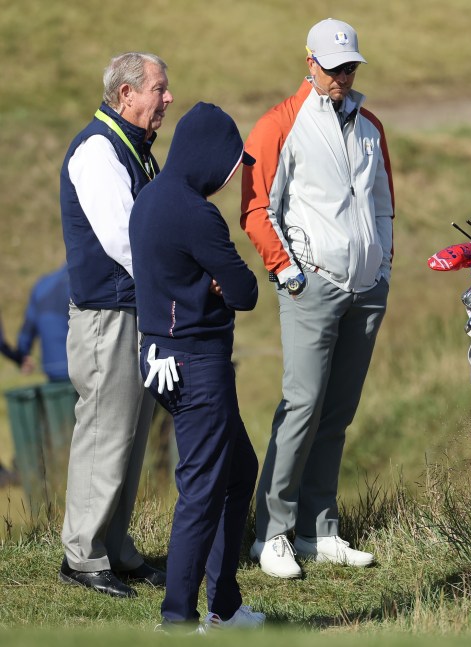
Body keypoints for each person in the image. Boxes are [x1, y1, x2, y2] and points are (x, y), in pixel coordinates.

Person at [241, 18, 394, 578]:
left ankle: (317, 528)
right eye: (333, 68)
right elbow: (257, 209)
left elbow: (382, 204)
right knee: (302, 405)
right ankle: (271, 534)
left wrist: (384, 267)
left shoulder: (370, 126)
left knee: (337, 411)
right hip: (312, 285)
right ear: (309, 62)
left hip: (365, 288)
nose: (343, 77)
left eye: (350, 67)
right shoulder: (279, 124)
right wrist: (288, 272)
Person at [131, 102, 263, 632]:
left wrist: (210, 283)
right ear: (207, 156)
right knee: (204, 491)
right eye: (229, 164)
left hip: (161, 353)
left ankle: (224, 604)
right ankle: (179, 620)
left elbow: (212, 282)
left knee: (237, 473)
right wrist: (216, 284)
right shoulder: (195, 211)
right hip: (197, 363)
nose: (231, 175)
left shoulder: (151, 197)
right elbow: (246, 290)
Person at [57, 51, 172, 598]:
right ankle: (83, 555)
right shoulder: (99, 151)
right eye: (158, 88)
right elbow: (125, 241)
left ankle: (116, 549)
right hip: (108, 316)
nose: (167, 99)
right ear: (126, 95)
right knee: (105, 433)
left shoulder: (131, 149)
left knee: (126, 437)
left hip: (131, 311)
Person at [13, 263, 71, 382]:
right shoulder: (83, 281)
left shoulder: (43, 285)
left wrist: (22, 355)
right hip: (83, 368)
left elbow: (28, 326)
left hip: (53, 369)